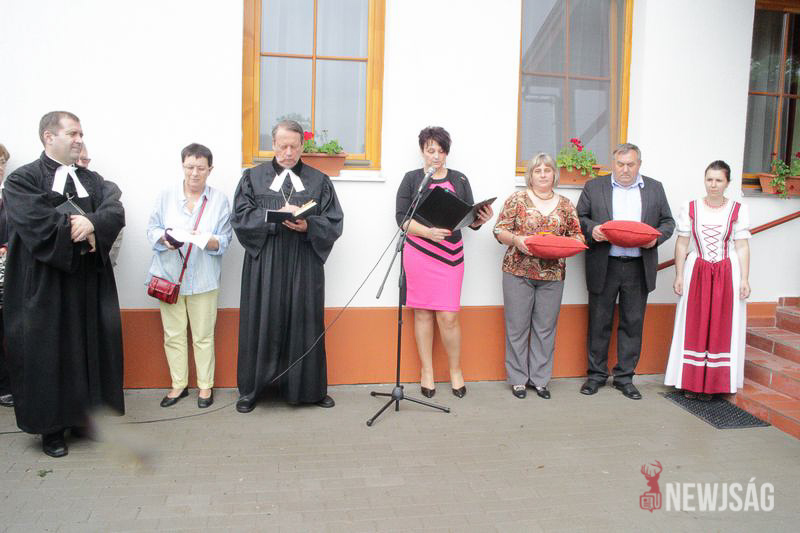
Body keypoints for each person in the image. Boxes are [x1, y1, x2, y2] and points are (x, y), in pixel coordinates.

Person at [2, 111, 125, 457]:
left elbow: (115, 209)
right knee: (49, 353)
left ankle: (85, 419)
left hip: (87, 285)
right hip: (45, 285)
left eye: (81, 134)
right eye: (72, 133)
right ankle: (52, 429)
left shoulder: (93, 180)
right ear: (49, 136)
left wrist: (93, 224)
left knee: (87, 348)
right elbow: (36, 223)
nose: (79, 140)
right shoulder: (22, 180)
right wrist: (81, 227)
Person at [231, 120, 343, 413]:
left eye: (294, 146)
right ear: (273, 145)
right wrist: (272, 218)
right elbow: (240, 217)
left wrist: (309, 225)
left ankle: (309, 389)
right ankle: (253, 390)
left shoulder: (319, 181)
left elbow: (334, 221)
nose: (289, 152)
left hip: (303, 262)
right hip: (265, 262)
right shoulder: (252, 178)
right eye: (283, 146)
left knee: (304, 322)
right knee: (262, 321)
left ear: (303, 146)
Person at [395, 126, 493, 399]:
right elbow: (401, 218)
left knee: (448, 317)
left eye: (440, 151)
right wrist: (427, 233)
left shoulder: (459, 179)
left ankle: (455, 371)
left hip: (450, 255)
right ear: (422, 151)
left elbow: (469, 218)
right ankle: (426, 371)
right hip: (419, 252)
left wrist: (480, 220)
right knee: (423, 314)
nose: (436, 156)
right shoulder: (412, 179)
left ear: (447, 152)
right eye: (430, 150)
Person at [576, 143, 674, 400]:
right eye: (620, 164)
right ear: (613, 164)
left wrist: (656, 238)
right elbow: (579, 217)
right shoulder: (594, 187)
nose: (625, 169)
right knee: (599, 322)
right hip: (604, 264)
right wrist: (593, 229)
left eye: (631, 164)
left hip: (638, 267)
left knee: (633, 323)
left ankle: (624, 378)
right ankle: (596, 376)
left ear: (639, 164)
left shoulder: (655, 188)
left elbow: (668, 222)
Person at [146, 143, 232, 409]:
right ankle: (178, 384)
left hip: (204, 278)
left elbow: (225, 240)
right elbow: (152, 229)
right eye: (190, 167)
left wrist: (205, 239)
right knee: (173, 334)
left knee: (203, 336)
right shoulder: (166, 195)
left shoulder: (219, 200)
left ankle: (205, 386)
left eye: (201, 168)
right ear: (182, 166)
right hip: (169, 277)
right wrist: (165, 239)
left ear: (210, 169)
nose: (195, 173)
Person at [493, 153, 584, 399]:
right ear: (530, 175)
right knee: (517, 328)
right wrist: (517, 240)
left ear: (554, 174)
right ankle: (518, 380)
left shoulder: (566, 204)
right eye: (537, 170)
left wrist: (561, 244)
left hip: (553, 274)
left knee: (545, 329)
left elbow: (578, 236)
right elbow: (499, 230)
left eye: (547, 170)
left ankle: (540, 380)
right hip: (517, 271)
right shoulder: (517, 199)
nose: (543, 174)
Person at [665, 160, 750, 400]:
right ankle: (690, 382)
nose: (713, 185)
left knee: (722, 324)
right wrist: (679, 274)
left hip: (727, 271)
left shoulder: (737, 210)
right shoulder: (691, 207)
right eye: (709, 179)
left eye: (718, 180)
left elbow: (742, 246)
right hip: (697, 269)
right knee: (694, 322)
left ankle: (714, 384)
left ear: (727, 183)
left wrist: (744, 279)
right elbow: (682, 244)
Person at [77, 144, 123, 266]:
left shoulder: (101, 187)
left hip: (96, 264)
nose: (80, 164)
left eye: (84, 160)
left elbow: (116, 218)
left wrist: (94, 228)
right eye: (75, 160)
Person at [0, 143, 12, 408]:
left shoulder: (10, 195)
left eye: (2, 162)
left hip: (6, 273)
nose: (0, 167)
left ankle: (6, 386)